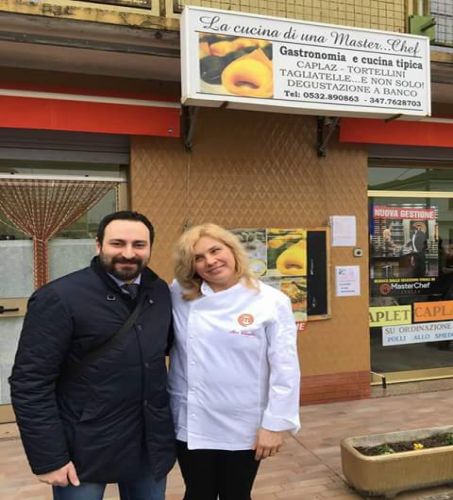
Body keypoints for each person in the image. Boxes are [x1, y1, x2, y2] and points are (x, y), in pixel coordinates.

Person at [9, 211, 176, 500]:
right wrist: (49, 458)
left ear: (150, 248)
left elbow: (162, 351)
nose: (128, 253)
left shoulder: (159, 292)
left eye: (139, 245)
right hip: (83, 445)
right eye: (117, 243)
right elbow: (29, 383)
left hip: (148, 443)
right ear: (98, 245)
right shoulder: (60, 297)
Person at [168, 223, 300, 500]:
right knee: (197, 493)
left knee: (236, 494)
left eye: (216, 250)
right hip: (193, 420)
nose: (210, 261)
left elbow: (285, 368)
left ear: (233, 250)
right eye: (198, 258)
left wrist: (275, 424)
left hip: (244, 424)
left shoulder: (271, 301)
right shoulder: (179, 294)